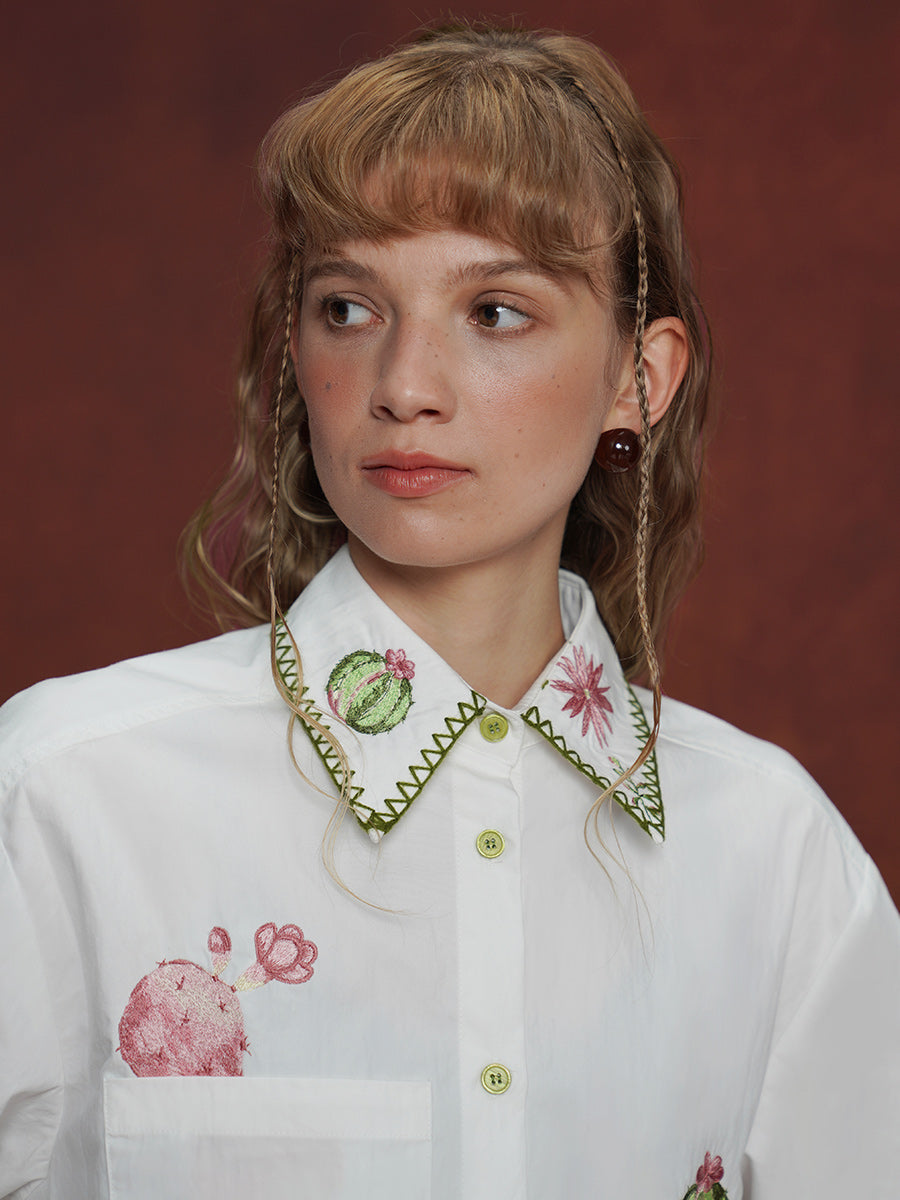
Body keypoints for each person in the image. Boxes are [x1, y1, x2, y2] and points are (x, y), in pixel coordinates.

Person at [0, 22, 897, 1200]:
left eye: (496, 312)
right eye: (348, 308)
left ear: (640, 378)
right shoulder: (63, 794)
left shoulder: (777, 857)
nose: (404, 387)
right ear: (296, 354)